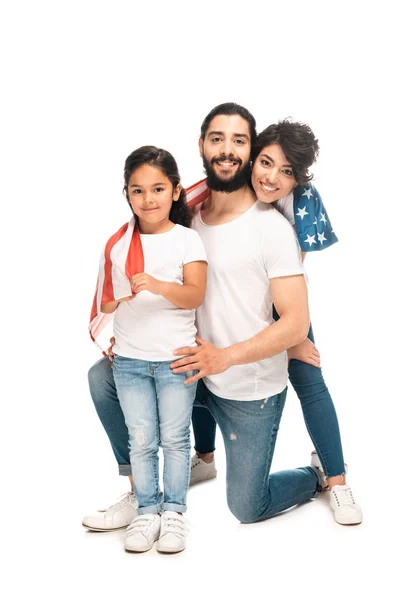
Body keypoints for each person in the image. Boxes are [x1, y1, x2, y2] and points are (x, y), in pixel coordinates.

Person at [84, 102, 324, 529]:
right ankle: (143, 490)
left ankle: (315, 475)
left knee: (249, 506)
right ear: (202, 146)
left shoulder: (272, 231)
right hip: (187, 368)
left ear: (250, 153)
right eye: (217, 138)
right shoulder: (187, 216)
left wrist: (225, 357)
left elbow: (295, 321)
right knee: (103, 378)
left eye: (239, 140)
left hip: (245, 387)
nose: (227, 149)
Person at [191, 119, 362, 525]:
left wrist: (292, 336)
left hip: (281, 300)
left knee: (308, 375)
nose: (272, 178)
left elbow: (291, 277)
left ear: (298, 179)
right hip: (235, 303)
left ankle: (333, 479)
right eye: (266, 163)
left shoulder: (296, 202)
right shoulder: (224, 188)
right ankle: (205, 456)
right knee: (200, 358)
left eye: (286, 172)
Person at [90, 146, 207, 553]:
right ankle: (146, 510)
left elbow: (194, 295)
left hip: (175, 359)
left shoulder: (187, 240)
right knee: (141, 439)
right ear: (127, 195)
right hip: (130, 360)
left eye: (158, 188)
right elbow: (104, 302)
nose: (148, 199)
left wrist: (156, 285)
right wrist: (117, 296)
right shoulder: (119, 244)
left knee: (175, 439)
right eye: (138, 191)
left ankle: (174, 513)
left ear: (176, 191)